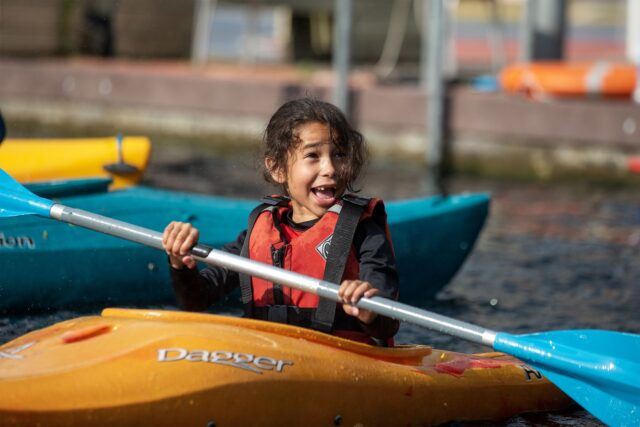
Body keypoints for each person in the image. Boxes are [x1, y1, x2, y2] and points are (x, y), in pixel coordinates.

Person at [162, 98, 399, 345]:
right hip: (266, 355)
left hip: (340, 362)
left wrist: (369, 310)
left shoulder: (364, 232)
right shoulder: (260, 231)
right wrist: (180, 262)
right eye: (313, 155)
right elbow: (196, 298)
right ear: (277, 168)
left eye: (339, 154)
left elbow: (387, 325)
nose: (330, 168)